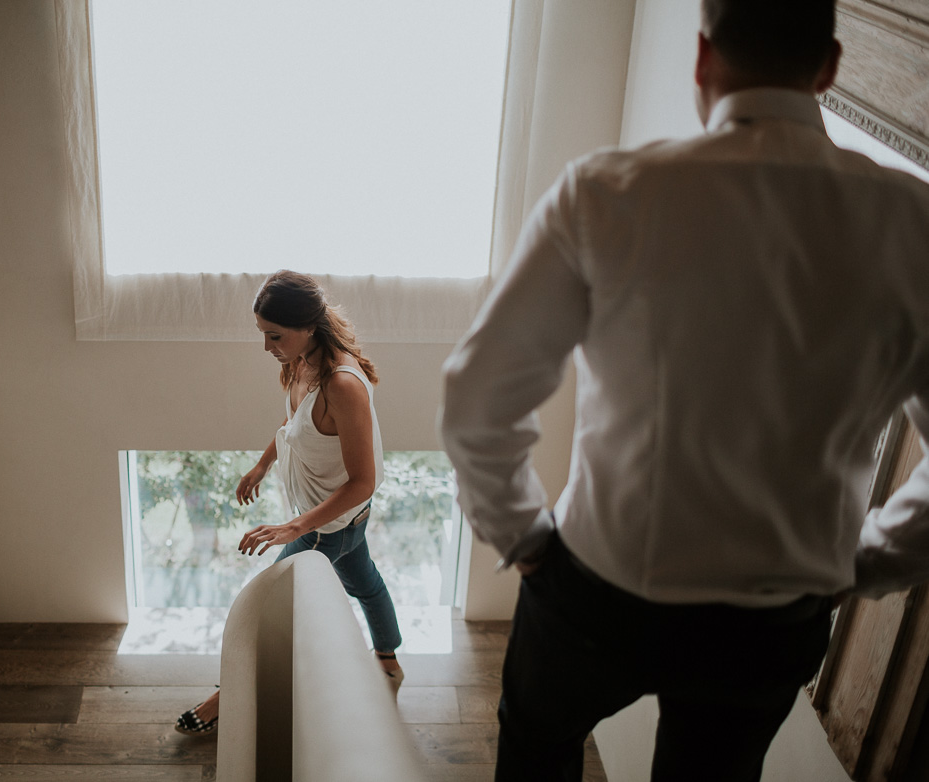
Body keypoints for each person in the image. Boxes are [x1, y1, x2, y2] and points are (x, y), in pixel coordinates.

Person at [438, 0, 929, 779]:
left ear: (700, 59)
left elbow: (475, 398)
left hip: (595, 591)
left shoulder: (608, 191)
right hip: (773, 620)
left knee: (536, 746)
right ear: (828, 69)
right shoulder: (914, 223)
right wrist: (867, 562)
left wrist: (525, 541)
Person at [175, 270, 404, 737]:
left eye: (274, 335)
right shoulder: (299, 362)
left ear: (306, 327)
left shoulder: (342, 384)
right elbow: (294, 426)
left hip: (326, 525)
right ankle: (388, 661)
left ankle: (227, 698)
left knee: (266, 611)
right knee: (367, 586)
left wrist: (294, 527)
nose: (267, 347)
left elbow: (363, 482)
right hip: (336, 521)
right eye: (263, 335)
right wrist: (262, 465)